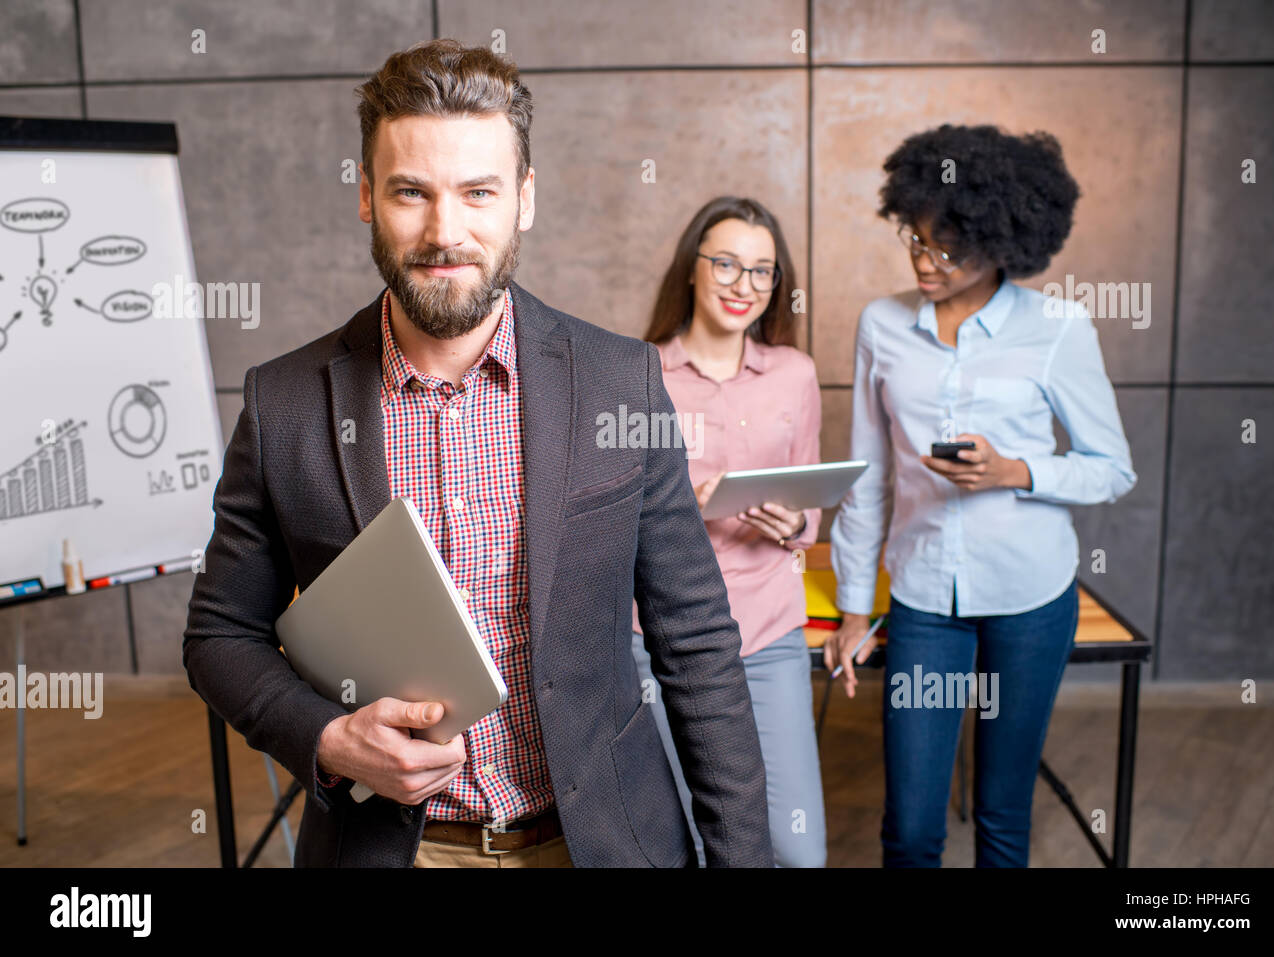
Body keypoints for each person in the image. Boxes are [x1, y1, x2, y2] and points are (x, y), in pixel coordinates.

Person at [183, 39, 773, 869]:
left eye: (478, 192)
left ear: (524, 198)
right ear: (364, 195)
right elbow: (218, 633)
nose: (443, 231)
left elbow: (698, 641)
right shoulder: (284, 404)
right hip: (393, 851)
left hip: (601, 841)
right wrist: (331, 736)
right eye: (410, 192)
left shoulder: (619, 381)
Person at [824, 124, 1137, 867]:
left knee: (1002, 817)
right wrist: (854, 606)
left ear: (1006, 243)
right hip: (926, 599)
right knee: (909, 826)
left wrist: (1017, 472)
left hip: (1031, 598)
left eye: (949, 248)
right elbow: (868, 473)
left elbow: (1112, 468)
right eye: (916, 238)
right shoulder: (883, 323)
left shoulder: (1057, 328)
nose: (924, 261)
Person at [633, 196, 827, 867]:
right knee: (689, 836)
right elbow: (609, 521)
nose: (743, 285)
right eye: (726, 263)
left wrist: (798, 520)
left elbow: (812, 497)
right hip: (662, 634)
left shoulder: (795, 375)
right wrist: (689, 504)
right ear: (692, 268)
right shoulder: (637, 375)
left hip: (770, 626)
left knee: (796, 849)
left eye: (761, 271)